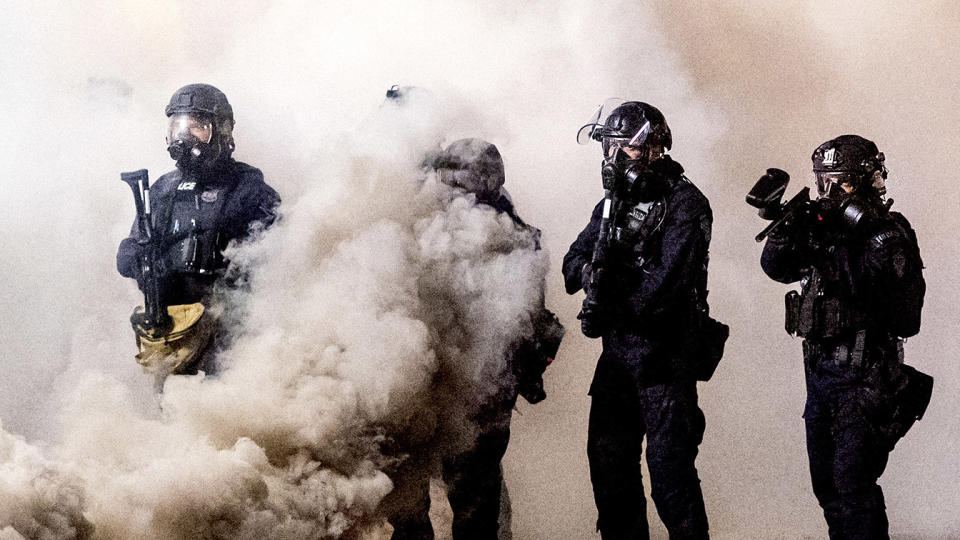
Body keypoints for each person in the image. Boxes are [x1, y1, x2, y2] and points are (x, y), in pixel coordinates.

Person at [758, 135, 929, 539]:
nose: (832, 193)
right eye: (826, 182)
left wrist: (856, 252)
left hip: (864, 375)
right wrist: (785, 229)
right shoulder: (823, 230)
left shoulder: (888, 234)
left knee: (854, 486)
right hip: (820, 375)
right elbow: (776, 267)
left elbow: (907, 317)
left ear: (869, 181)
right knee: (828, 488)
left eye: (844, 183)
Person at [563, 101, 716, 539]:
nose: (613, 161)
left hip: (663, 363)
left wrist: (609, 296)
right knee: (610, 475)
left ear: (653, 150)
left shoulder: (686, 204)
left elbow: (665, 289)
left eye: (623, 151)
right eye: (609, 150)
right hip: (617, 364)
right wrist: (593, 274)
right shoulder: (612, 204)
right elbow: (572, 263)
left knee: (671, 483)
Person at [117, 83, 280, 378]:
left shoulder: (250, 190)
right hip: (173, 332)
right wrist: (133, 255)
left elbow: (278, 269)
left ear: (221, 131)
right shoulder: (162, 189)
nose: (184, 136)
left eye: (197, 127)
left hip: (229, 334)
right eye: (177, 126)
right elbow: (137, 244)